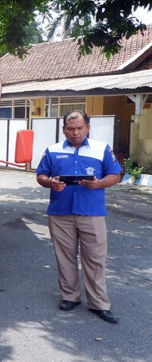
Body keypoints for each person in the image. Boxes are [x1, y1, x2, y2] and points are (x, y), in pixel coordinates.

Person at [36, 110, 123, 324]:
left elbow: (115, 174)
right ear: (64, 129)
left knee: (95, 258)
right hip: (60, 213)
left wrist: (99, 183)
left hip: (92, 213)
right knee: (64, 257)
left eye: (79, 128)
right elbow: (41, 175)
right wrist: (50, 182)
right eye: (70, 128)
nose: (75, 132)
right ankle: (70, 297)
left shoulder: (101, 149)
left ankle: (99, 304)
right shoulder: (53, 150)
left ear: (88, 127)